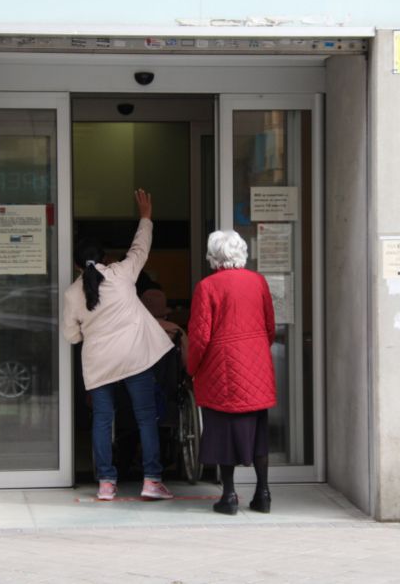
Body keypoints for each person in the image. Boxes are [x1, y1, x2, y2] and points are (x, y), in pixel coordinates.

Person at [63, 189, 174, 502]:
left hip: (100, 364)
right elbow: (140, 248)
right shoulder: (123, 274)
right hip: (134, 359)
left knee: (102, 420)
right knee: (145, 417)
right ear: (105, 258)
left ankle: (106, 484)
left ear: (76, 265)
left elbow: (71, 336)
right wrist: (146, 216)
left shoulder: (73, 294)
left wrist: (92, 332)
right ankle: (151, 480)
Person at [186, 230, 276, 515]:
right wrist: (256, 351)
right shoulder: (258, 282)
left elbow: (200, 337)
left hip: (222, 371)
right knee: (259, 433)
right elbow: (270, 326)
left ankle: (229, 496)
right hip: (257, 367)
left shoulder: (207, 287)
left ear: (213, 256)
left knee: (224, 433)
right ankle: (263, 493)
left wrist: (192, 367)